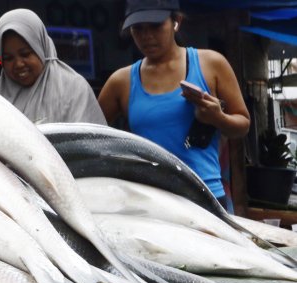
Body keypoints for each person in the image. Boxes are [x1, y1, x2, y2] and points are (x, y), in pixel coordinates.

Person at [97, 0, 250, 209]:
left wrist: (218, 118)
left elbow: (243, 124)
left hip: (205, 197)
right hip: (150, 203)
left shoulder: (211, 64)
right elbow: (90, 134)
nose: (146, 36)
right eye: (138, 29)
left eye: (155, 26)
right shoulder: (121, 82)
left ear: (176, 21)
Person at [0, 8, 106, 125]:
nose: (18, 64)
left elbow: (89, 140)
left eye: (25, 54)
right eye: (8, 58)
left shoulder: (74, 88)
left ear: (41, 48)